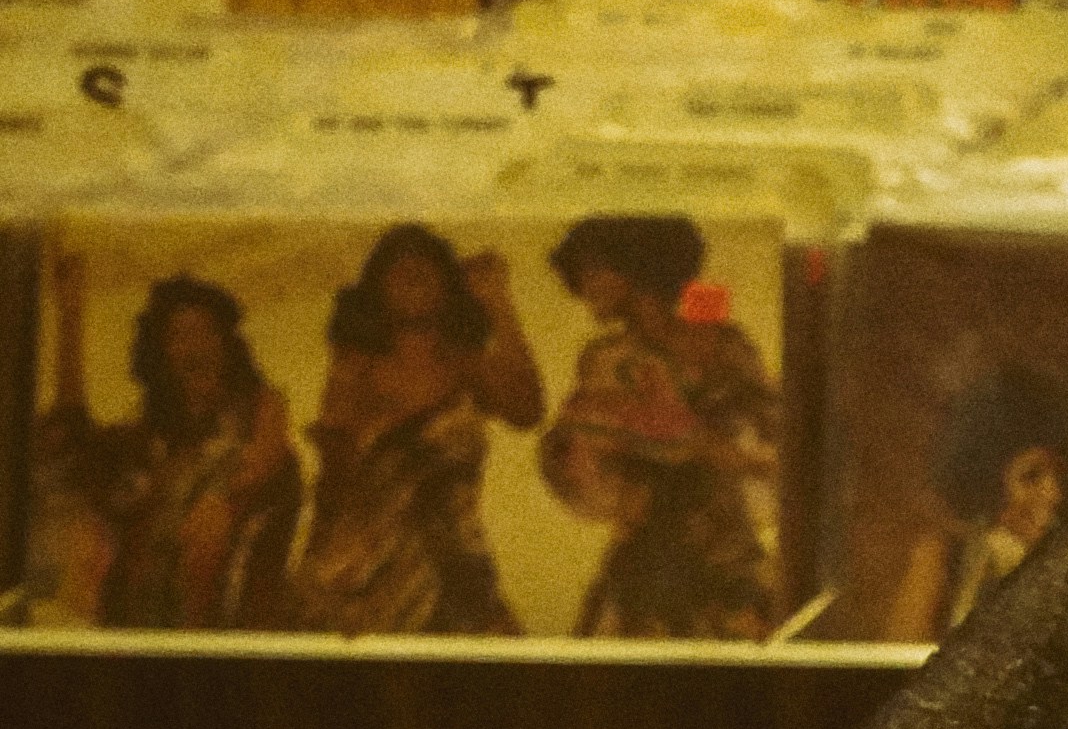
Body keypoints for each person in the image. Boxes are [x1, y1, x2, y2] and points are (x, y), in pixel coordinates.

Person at [290, 222, 544, 636]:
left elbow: (528, 410)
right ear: (377, 290)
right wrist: (322, 558)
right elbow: (335, 469)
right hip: (367, 562)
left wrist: (498, 300)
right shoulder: (357, 366)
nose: (412, 276)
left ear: (449, 287)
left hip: (456, 564)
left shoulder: (466, 363)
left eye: (426, 268)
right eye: (398, 268)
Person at [537, 213, 781, 641]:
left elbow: (773, 440)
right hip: (649, 560)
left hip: (726, 550)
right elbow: (579, 460)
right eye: (581, 273)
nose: (585, 286)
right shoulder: (607, 358)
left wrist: (715, 446)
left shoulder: (724, 344)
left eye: (595, 269)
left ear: (635, 265)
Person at [32, 264, 298, 628]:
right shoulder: (146, 442)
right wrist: (70, 315)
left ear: (227, 344)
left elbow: (270, 461)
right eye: (179, 335)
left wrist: (228, 499)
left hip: (223, 636)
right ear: (160, 355)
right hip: (135, 632)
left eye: (206, 332)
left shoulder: (258, 426)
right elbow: (74, 440)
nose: (196, 347)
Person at [887, 361, 1068, 639]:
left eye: (1061, 475)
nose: (1054, 493)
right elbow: (901, 655)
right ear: (989, 485)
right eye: (1031, 476)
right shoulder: (943, 557)